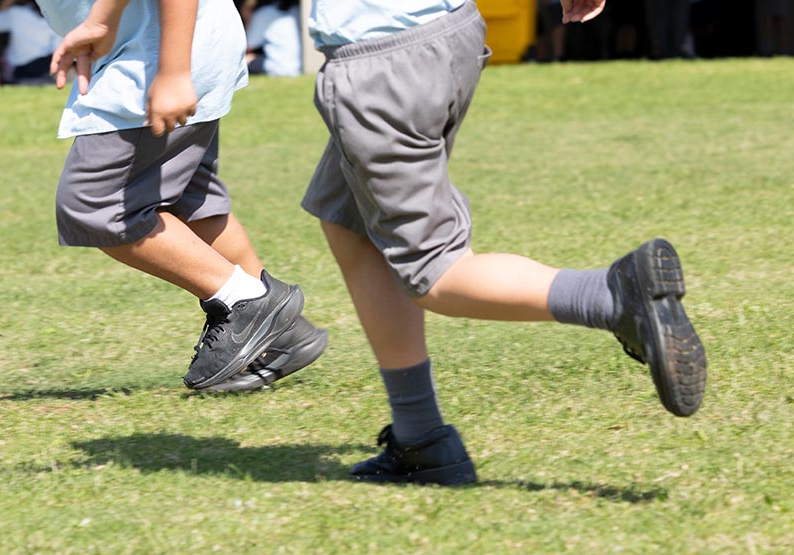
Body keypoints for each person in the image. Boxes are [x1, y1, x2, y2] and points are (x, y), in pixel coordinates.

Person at [278, 0, 705, 485]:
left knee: (434, 271)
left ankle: (611, 297)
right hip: (446, 32)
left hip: (380, 61)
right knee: (348, 219)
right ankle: (420, 437)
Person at [0, 0, 329, 394]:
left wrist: (173, 71)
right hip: (164, 48)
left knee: (95, 204)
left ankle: (247, 302)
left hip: (160, 55)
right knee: (187, 200)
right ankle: (281, 335)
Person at [0, 0, 60, 84]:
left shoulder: (17, 13)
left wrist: (7, 2)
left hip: (21, 69)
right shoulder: (56, 19)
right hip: (44, 68)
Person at [243, 0, 302, 75]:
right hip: (299, 66)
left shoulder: (264, 13)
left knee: (244, 59)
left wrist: (247, 16)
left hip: (278, 66)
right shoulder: (297, 10)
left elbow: (247, 48)